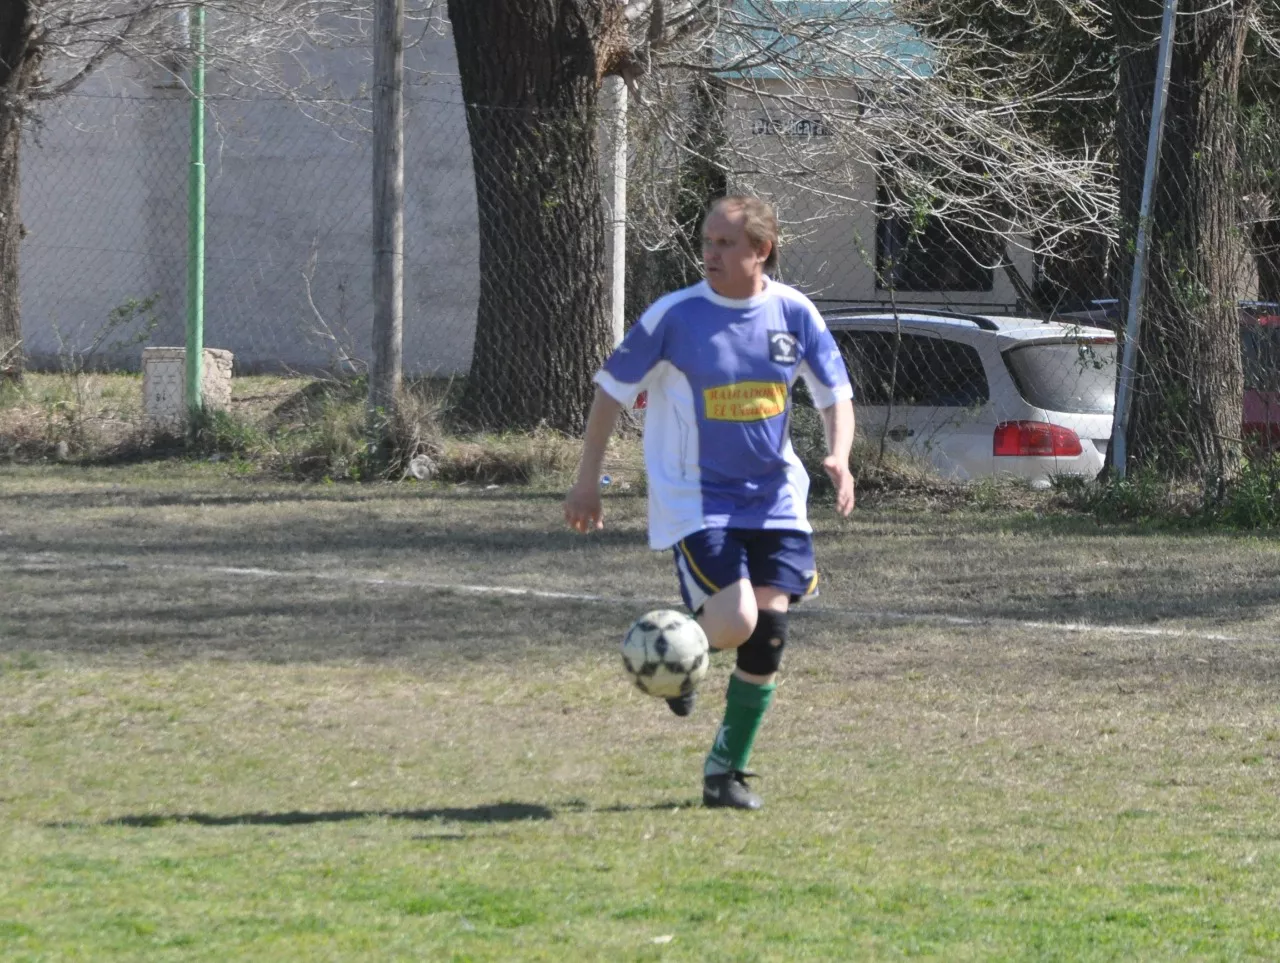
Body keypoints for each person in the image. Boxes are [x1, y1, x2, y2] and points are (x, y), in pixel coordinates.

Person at [563, 195, 856, 811]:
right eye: (707, 242)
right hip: (699, 501)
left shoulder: (794, 312)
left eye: (725, 243)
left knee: (767, 634)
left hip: (776, 499)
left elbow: (836, 394)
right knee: (738, 622)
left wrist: (839, 455)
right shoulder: (676, 316)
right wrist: (587, 480)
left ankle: (725, 772)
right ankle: (673, 654)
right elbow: (610, 392)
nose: (710, 254)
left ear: (761, 250)